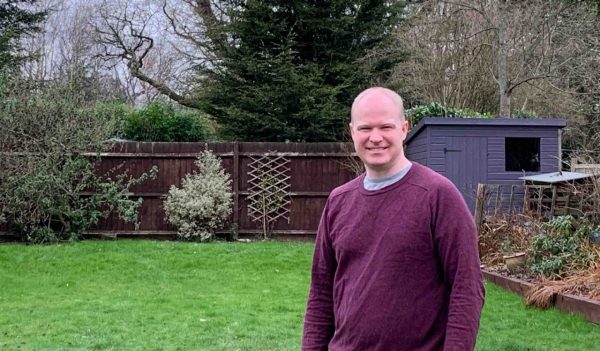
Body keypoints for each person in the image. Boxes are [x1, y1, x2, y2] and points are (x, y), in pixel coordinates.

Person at [302, 87, 485, 351]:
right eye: (365, 128)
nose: (375, 138)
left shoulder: (438, 196)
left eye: (385, 126)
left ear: (404, 129)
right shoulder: (338, 202)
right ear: (352, 131)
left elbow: (467, 289)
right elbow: (320, 293)